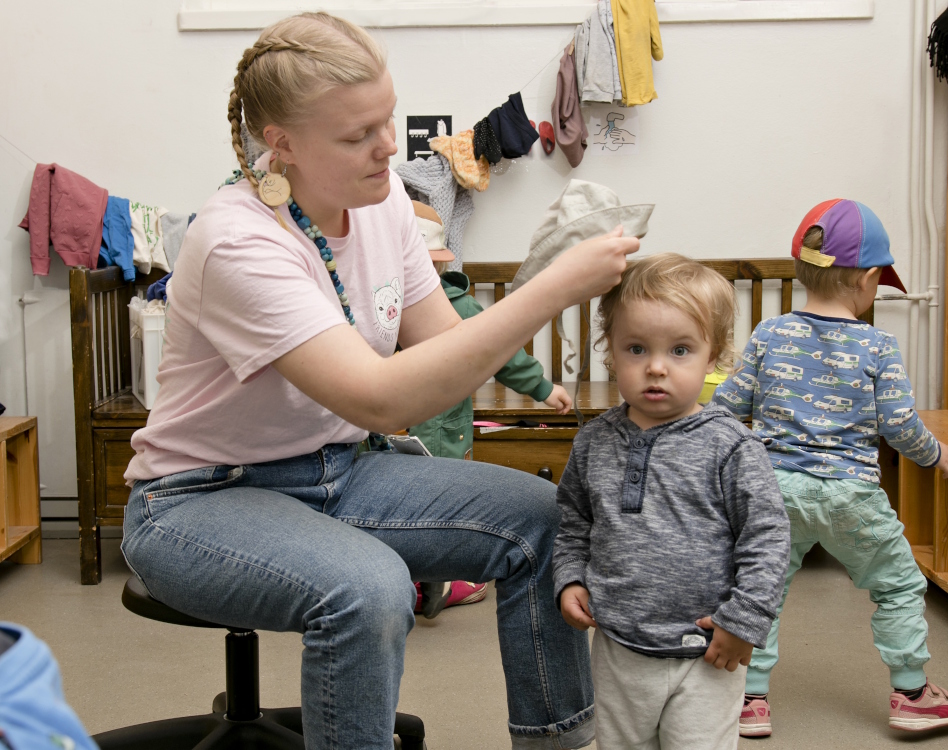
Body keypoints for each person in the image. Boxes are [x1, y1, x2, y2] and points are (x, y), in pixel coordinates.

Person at [119, 11, 639, 750]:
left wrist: (545, 266)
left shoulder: (383, 200)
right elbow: (380, 396)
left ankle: (560, 744)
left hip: (340, 472)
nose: (387, 146)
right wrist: (551, 290)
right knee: (366, 589)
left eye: (387, 121)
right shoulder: (237, 239)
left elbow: (450, 352)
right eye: (357, 134)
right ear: (283, 145)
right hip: (201, 499)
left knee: (543, 520)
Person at [713, 199, 948, 736]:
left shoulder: (770, 334)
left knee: (762, 586)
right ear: (867, 280)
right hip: (852, 495)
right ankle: (911, 693)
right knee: (898, 586)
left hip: (774, 492)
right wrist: (938, 456)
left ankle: (749, 701)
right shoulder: (878, 344)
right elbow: (900, 426)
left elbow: (726, 409)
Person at [553, 253, 791, 749]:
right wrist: (570, 576)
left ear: (714, 356)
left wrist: (745, 619)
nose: (656, 367)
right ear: (609, 351)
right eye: (636, 349)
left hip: (708, 646)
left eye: (680, 350)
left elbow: (767, 538)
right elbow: (574, 520)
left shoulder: (731, 447)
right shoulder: (594, 441)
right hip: (619, 643)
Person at [408, 201, 573, 618]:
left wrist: (540, 386)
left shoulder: (448, 308)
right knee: (437, 506)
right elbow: (501, 354)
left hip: (411, 430)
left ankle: (426, 578)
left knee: (420, 504)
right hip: (423, 431)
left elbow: (501, 353)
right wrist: (543, 387)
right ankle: (435, 577)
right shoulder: (438, 306)